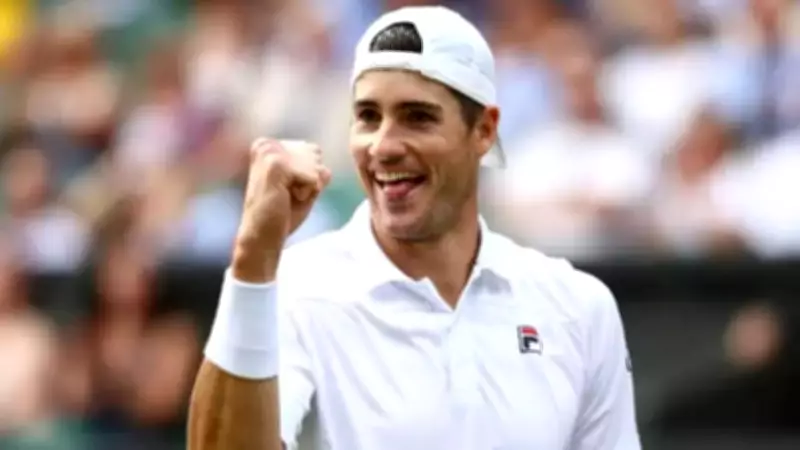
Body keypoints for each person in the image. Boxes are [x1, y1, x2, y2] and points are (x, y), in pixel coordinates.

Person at [188, 6, 641, 450]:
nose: (383, 146)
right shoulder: (296, 286)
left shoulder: (579, 306)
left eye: (417, 117)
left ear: (484, 131)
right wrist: (252, 260)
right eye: (368, 116)